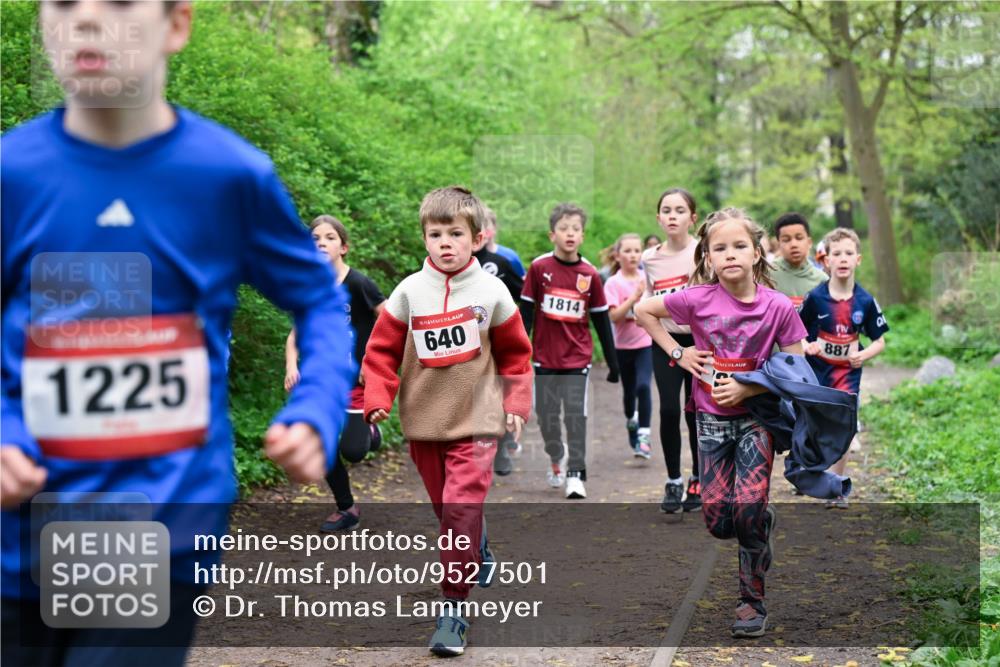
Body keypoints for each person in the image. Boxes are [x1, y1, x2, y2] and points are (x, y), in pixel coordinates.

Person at [1, 2, 355, 665]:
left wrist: (315, 406)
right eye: (64, 3)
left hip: (160, 520)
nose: (86, 19)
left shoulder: (226, 176)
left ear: (177, 24)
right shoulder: (12, 174)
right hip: (15, 526)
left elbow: (318, 301)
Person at [362, 186, 532, 656]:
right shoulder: (408, 292)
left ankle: (453, 609)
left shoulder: (493, 292)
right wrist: (377, 396)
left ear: (476, 238)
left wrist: (516, 403)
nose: (445, 243)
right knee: (448, 511)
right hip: (424, 422)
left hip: (478, 420)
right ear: (425, 239)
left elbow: (516, 355)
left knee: (458, 509)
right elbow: (380, 352)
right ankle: (477, 541)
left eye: (455, 234)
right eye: (436, 234)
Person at [636, 207, 807, 639]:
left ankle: (751, 603)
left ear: (756, 252)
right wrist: (679, 353)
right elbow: (643, 310)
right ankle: (760, 523)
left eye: (739, 246)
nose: (730, 254)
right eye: (720, 248)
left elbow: (798, 369)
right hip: (710, 420)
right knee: (718, 520)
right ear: (708, 257)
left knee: (747, 509)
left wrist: (750, 388)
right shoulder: (696, 299)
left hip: (757, 419)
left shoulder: (777, 306)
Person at [285, 215, 385, 531]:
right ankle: (347, 508)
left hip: (356, 381)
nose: (321, 243)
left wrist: (373, 362)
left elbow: (389, 322)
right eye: (315, 239)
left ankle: (370, 432)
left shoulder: (359, 284)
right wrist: (291, 366)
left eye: (329, 238)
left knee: (352, 452)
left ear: (343, 247)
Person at [520, 203, 620, 500]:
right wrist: (517, 357)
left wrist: (613, 363)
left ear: (582, 236)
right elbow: (525, 316)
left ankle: (576, 474)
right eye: (564, 229)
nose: (570, 234)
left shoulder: (589, 274)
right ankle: (556, 455)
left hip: (577, 357)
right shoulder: (539, 269)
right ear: (552, 235)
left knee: (575, 415)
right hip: (544, 357)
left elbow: (601, 321)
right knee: (546, 416)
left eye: (575, 229)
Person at [799, 228, 888, 509]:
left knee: (844, 430)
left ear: (858, 259)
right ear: (826, 260)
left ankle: (837, 487)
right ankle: (814, 472)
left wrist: (863, 354)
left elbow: (880, 341)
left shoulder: (865, 301)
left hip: (848, 376)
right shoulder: (815, 297)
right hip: (818, 373)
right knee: (818, 428)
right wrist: (807, 345)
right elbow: (796, 331)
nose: (843, 258)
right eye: (836, 253)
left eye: (849, 253)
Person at [641, 188, 701, 513]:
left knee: (695, 413)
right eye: (667, 210)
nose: (673, 216)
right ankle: (674, 480)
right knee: (668, 410)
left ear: (693, 218)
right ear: (658, 218)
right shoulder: (649, 258)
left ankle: (698, 479)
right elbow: (649, 300)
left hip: (700, 344)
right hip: (665, 341)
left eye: (680, 210)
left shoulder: (702, 252)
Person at [472, 210, 525, 476]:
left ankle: (502, 446)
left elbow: (525, 296)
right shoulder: (452, 265)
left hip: (497, 341)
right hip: (465, 344)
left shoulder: (500, 262)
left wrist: (519, 328)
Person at [603, 234, 653, 459]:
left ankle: (644, 436)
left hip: (646, 343)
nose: (633, 255)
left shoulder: (647, 278)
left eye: (637, 251)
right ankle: (631, 419)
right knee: (629, 393)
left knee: (643, 386)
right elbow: (614, 316)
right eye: (628, 251)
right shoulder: (613, 283)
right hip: (622, 347)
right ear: (617, 256)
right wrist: (634, 297)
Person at [770, 212, 828, 310]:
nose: (794, 244)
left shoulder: (822, 281)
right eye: (786, 240)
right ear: (779, 245)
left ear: (809, 242)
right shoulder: (767, 275)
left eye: (799, 238)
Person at [482, 208, 525, 278]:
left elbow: (521, 281)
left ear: (495, 228)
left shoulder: (510, 256)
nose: (481, 230)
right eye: (477, 225)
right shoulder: (468, 257)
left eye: (485, 225)